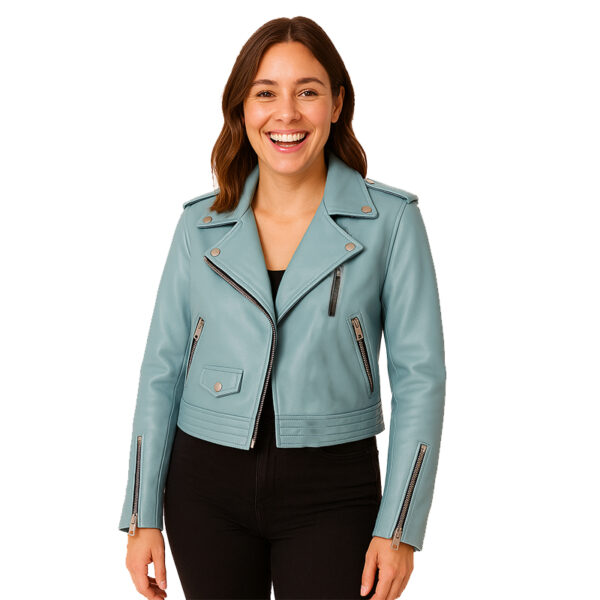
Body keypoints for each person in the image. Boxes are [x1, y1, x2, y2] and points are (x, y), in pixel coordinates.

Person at [118, 15, 446, 600]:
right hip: (202, 490)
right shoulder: (199, 225)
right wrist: (142, 514)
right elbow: (161, 371)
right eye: (266, 93)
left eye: (308, 92)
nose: (286, 114)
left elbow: (421, 380)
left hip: (335, 492)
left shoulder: (391, 222)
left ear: (337, 104)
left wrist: (399, 528)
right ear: (242, 109)